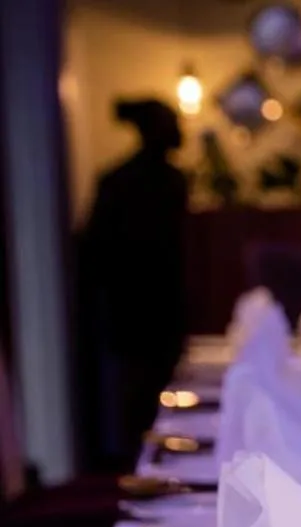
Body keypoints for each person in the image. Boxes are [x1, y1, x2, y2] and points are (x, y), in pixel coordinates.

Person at [77, 98, 188, 464]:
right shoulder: (135, 183)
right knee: (135, 406)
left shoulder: (160, 181)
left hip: (152, 311)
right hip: (136, 313)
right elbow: (96, 254)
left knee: (153, 403)